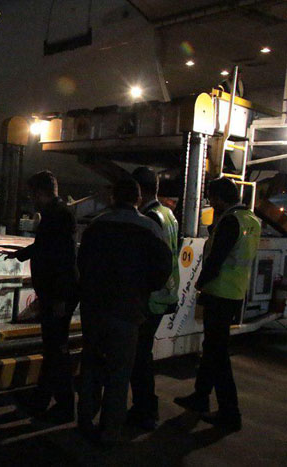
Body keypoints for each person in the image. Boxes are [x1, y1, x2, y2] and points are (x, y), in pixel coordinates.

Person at [77, 178, 172, 446]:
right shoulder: (150, 228)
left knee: (92, 366)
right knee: (119, 373)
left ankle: (85, 420)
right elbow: (163, 269)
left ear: (113, 197)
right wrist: (143, 290)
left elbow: (81, 263)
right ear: (138, 199)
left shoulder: (96, 226)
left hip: (95, 309)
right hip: (128, 310)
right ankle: (110, 432)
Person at [174, 178, 260, 431]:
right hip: (234, 293)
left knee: (218, 354)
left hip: (219, 293)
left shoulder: (230, 221)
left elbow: (217, 258)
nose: (210, 202)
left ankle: (230, 412)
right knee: (212, 350)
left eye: (212, 198)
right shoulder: (251, 219)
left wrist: (200, 283)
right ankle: (200, 396)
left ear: (220, 198)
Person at [5, 170, 78, 424]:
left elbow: (64, 259)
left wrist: (59, 298)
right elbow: (45, 247)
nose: (31, 199)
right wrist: (20, 255)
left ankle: (65, 406)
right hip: (54, 293)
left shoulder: (58, 216)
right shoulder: (56, 214)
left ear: (40, 192)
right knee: (53, 349)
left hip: (59, 295)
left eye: (32, 194)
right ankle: (42, 399)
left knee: (57, 350)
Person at [127, 167, 180, 431]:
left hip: (151, 298)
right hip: (165, 294)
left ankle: (145, 410)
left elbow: (147, 262)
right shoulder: (168, 214)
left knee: (139, 357)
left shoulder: (150, 218)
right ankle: (145, 408)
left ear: (140, 190)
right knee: (142, 355)